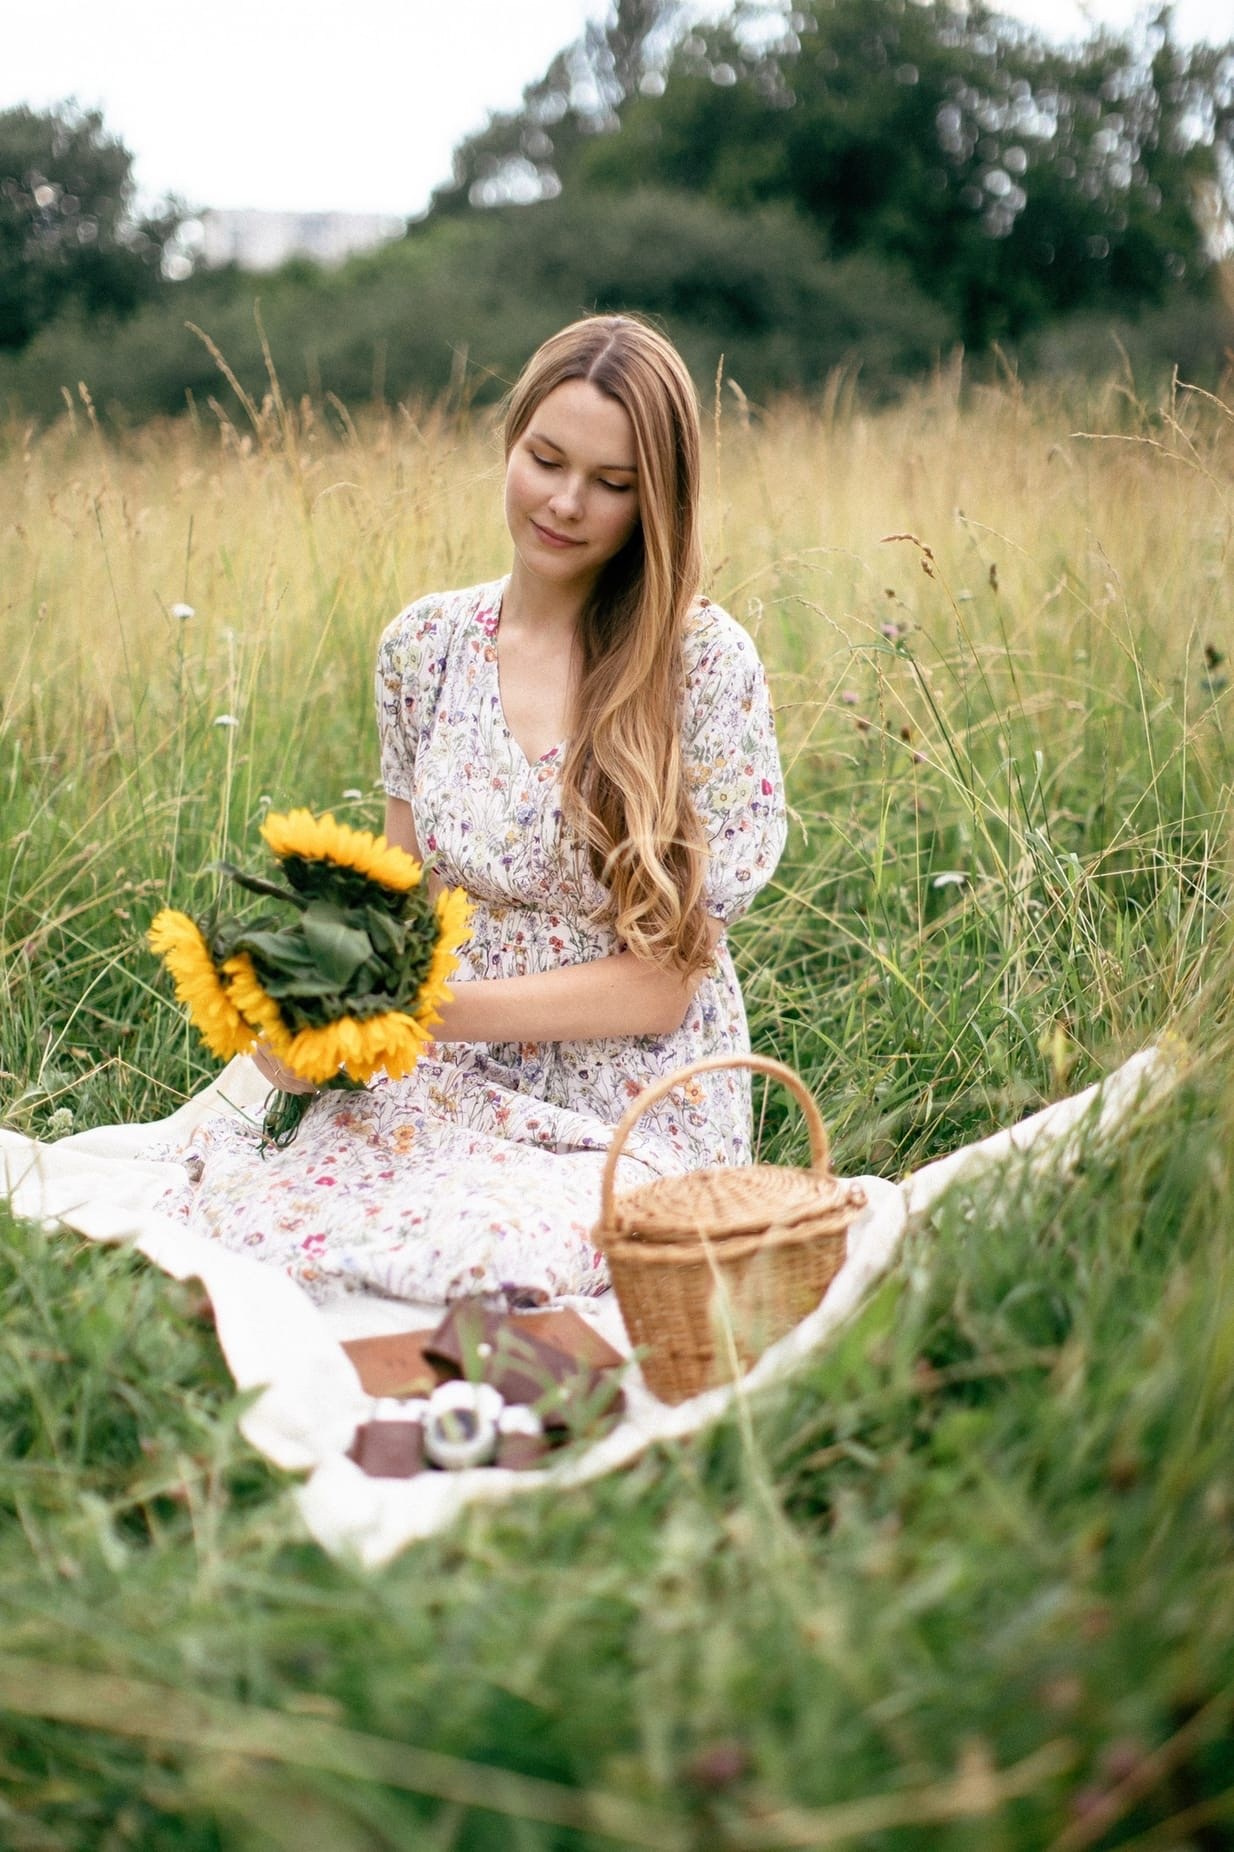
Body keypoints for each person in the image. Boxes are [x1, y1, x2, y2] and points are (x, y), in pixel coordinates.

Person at [152, 314, 787, 1306]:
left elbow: (663, 987)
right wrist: (320, 1026)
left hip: (629, 1096)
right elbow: (405, 909)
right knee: (258, 1221)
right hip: (447, 1070)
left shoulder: (700, 665)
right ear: (511, 440)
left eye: (613, 483)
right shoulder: (423, 647)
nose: (565, 502)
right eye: (546, 459)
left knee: (491, 1250)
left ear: (656, 500)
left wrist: (415, 1012)